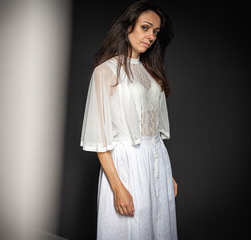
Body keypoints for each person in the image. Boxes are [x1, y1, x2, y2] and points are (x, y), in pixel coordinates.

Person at [80, 0, 178, 239]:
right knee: (129, 230)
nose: (151, 36)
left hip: (156, 160)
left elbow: (152, 129)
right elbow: (100, 139)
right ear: (127, 27)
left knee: (158, 229)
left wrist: (167, 174)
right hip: (126, 165)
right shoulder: (106, 71)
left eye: (155, 31)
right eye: (145, 27)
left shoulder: (150, 72)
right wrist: (117, 187)